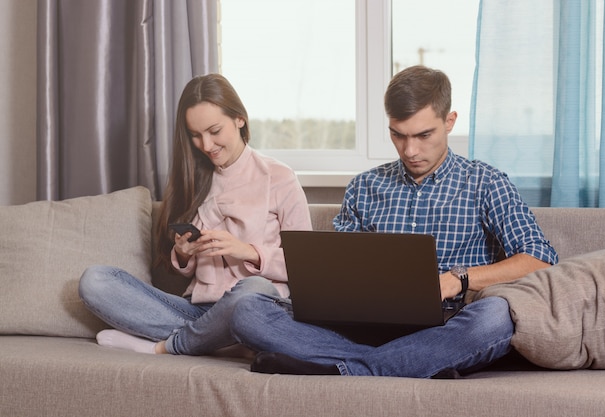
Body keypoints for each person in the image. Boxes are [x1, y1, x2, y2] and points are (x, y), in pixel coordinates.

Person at [227, 65, 559, 378]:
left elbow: (541, 259)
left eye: (423, 135)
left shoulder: (486, 182)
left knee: (496, 318)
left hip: (450, 322)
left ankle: (344, 365)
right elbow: (337, 272)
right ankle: (409, 363)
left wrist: (457, 280)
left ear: (450, 121)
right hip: (364, 325)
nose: (410, 150)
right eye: (398, 135)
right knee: (247, 310)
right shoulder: (364, 186)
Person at [78, 73, 311, 356]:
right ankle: (224, 342)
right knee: (96, 281)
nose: (206, 145)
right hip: (197, 310)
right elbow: (185, 267)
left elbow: (305, 266)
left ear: (240, 119)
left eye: (214, 131)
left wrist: (248, 251)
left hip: (257, 304)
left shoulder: (280, 177)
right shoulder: (193, 177)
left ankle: (168, 346)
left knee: (250, 292)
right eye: (196, 135)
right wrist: (185, 254)